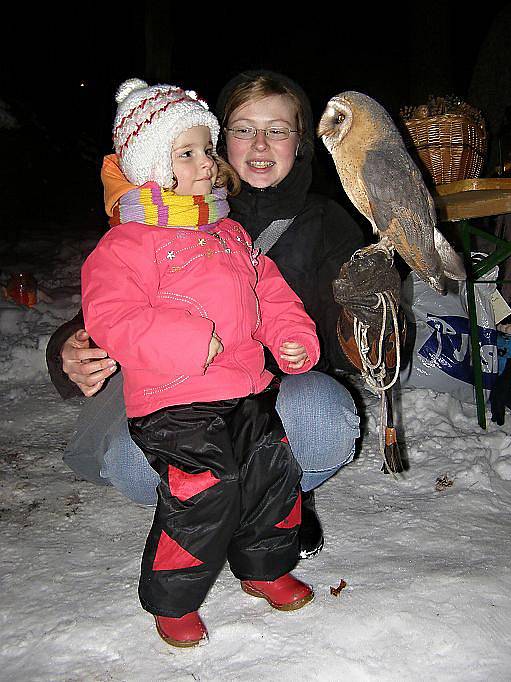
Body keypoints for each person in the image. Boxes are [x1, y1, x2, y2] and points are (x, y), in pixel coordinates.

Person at [47, 70, 389, 559]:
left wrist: (365, 322)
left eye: (279, 129)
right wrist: (69, 349)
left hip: (275, 393)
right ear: (218, 137)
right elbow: (109, 304)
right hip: (183, 392)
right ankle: (222, 513)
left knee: (323, 417)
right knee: (128, 462)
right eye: (244, 128)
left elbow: (345, 343)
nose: (260, 144)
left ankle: (275, 503)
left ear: (302, 140)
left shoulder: (329, 223)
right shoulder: (166, 211)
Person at [81, 78, 321, 647]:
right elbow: (112, 316)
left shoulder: (228, 231)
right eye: (186, 153)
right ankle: (173, 600)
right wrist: (189, 340)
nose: (207, 165)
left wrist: (290, 334)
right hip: (173, 400)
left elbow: (269, 292)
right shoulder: (127, 243)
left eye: (206, 151)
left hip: (244, 388)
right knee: (206, 488)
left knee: (273, 474)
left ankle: (266, 569)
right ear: (149, 169)